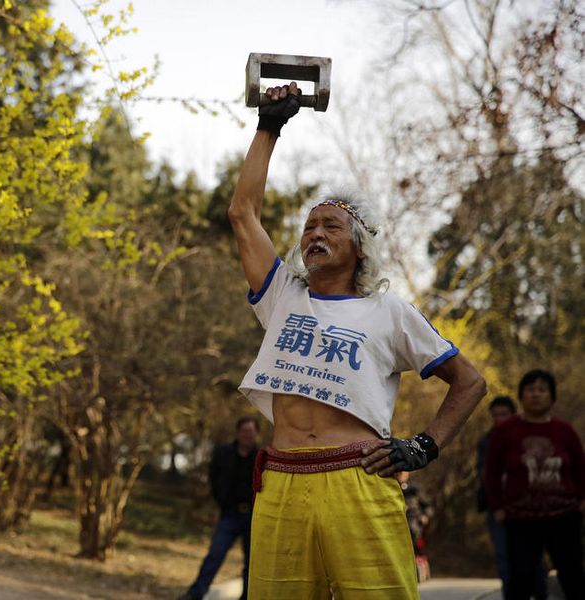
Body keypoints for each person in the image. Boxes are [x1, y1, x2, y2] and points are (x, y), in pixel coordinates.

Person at [228, 82, 487, 599]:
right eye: (309, 227)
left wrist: (422, 446)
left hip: (360, 481)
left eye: (332, 226)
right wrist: (268, 127)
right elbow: (243, 214)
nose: (315, 234)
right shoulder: (282, 294)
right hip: (280, 484)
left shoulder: (388, 311)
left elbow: (470, 382)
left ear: (361, 246)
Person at [484, 369, 585, 600]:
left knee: (573, 575)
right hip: (521, 518)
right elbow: (491, 472)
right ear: (521, 395)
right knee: (521, 578)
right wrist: (498, 507)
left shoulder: (565, 431)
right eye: (530, 389)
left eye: (542, 389)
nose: (536, 395)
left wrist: (582, 500)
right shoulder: (505, 431)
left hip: (564, 516)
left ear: (552, 396)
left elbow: (580, 468)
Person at [178, 416, 260, 600]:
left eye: (251, 432)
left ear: (257, 434)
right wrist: (221, 500)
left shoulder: (262, 457)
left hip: (254, 516)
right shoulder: (223, 453)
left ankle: (248, 597)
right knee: (216, 553)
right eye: (244, 431)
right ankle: (195, 593)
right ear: (238, 432)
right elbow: (214, 477)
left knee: (252, 561)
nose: (247, 435)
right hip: (230, 513)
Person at [476, 396, 548, 599]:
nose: (499, 419)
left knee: (534, 556)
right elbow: (484, 473)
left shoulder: (528, 436)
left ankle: (540, 594)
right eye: (495, 415)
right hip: (498, 508)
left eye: (504, 414)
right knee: (504, 557)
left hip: (529, 506)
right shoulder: (487, 441)